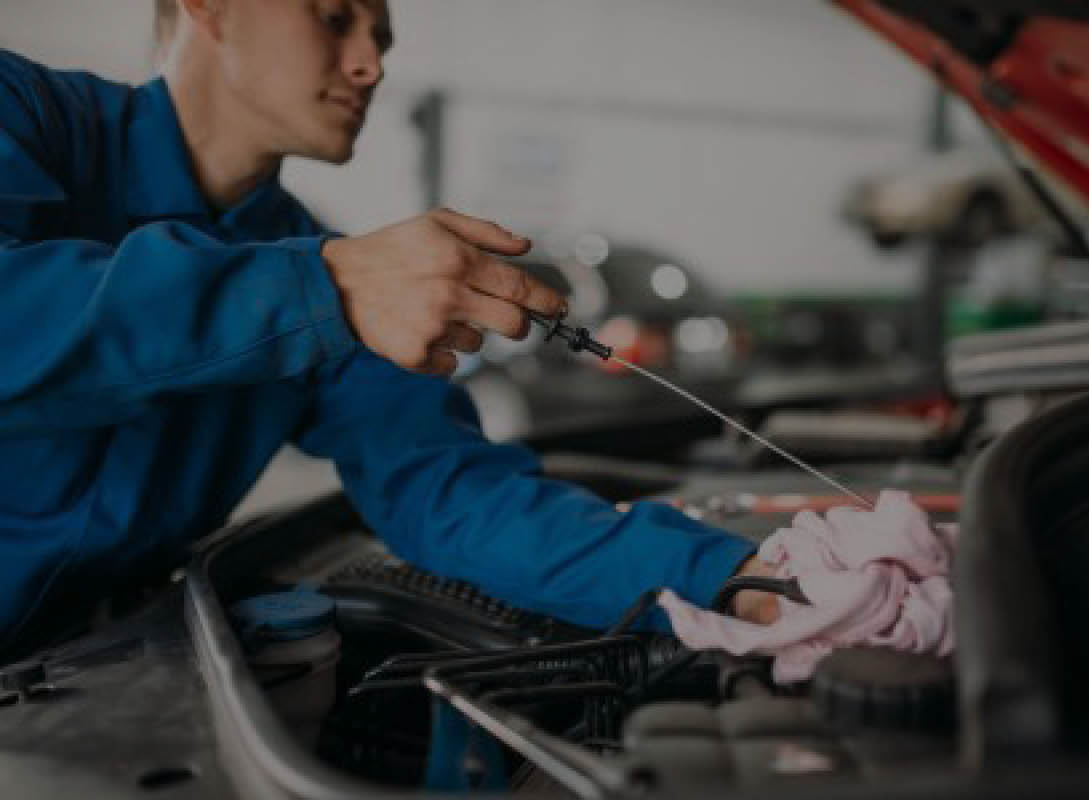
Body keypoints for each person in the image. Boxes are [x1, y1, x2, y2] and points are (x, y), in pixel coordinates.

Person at [0, 0, 776, 661]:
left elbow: (452, 492)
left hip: (90, 674)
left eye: (383, 39)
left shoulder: (329, 269)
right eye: (335, 18)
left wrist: (736, 577)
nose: (370, 64)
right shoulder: (24, 115)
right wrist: (322, 289)